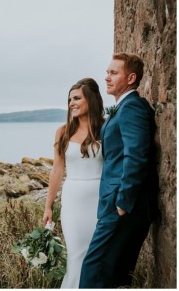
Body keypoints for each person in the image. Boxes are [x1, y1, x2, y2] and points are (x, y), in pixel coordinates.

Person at [79, 52, 158, 288]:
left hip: (122, 206)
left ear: (131, 78)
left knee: (94, 268)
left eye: (113, 73)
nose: (107, 77)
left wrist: (123, 202)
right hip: (116, 204)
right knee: (113, 273)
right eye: (107, 72)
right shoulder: (123, 107)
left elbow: (136, 155)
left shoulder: (132, 107)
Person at [42, 78, 104, 288]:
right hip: (73, 201)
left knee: (97, 257)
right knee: (77, 255)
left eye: (77, 98)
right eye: (69, 99)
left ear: (92, 100)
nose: (71, 103)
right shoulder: (63, 131)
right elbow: (57, 170)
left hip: (101, 201)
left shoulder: (106, 128)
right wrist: (48, 206)